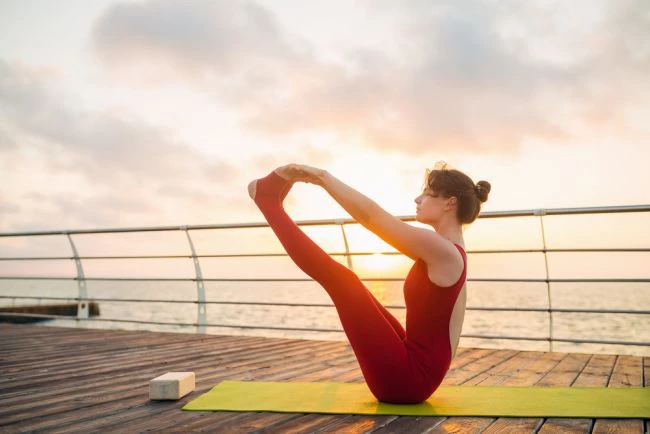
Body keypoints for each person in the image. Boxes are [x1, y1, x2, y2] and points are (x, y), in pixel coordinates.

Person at [248, 162, 490, 404]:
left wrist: (322, 177)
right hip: (416, 373)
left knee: (343, 282)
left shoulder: (443, 251)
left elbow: (372, 217)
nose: (417, 199)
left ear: (450, 203)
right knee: (353, 286)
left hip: (407, 382)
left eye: (427, 194)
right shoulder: (452, 251)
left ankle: (267, 201)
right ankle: (270, 198)